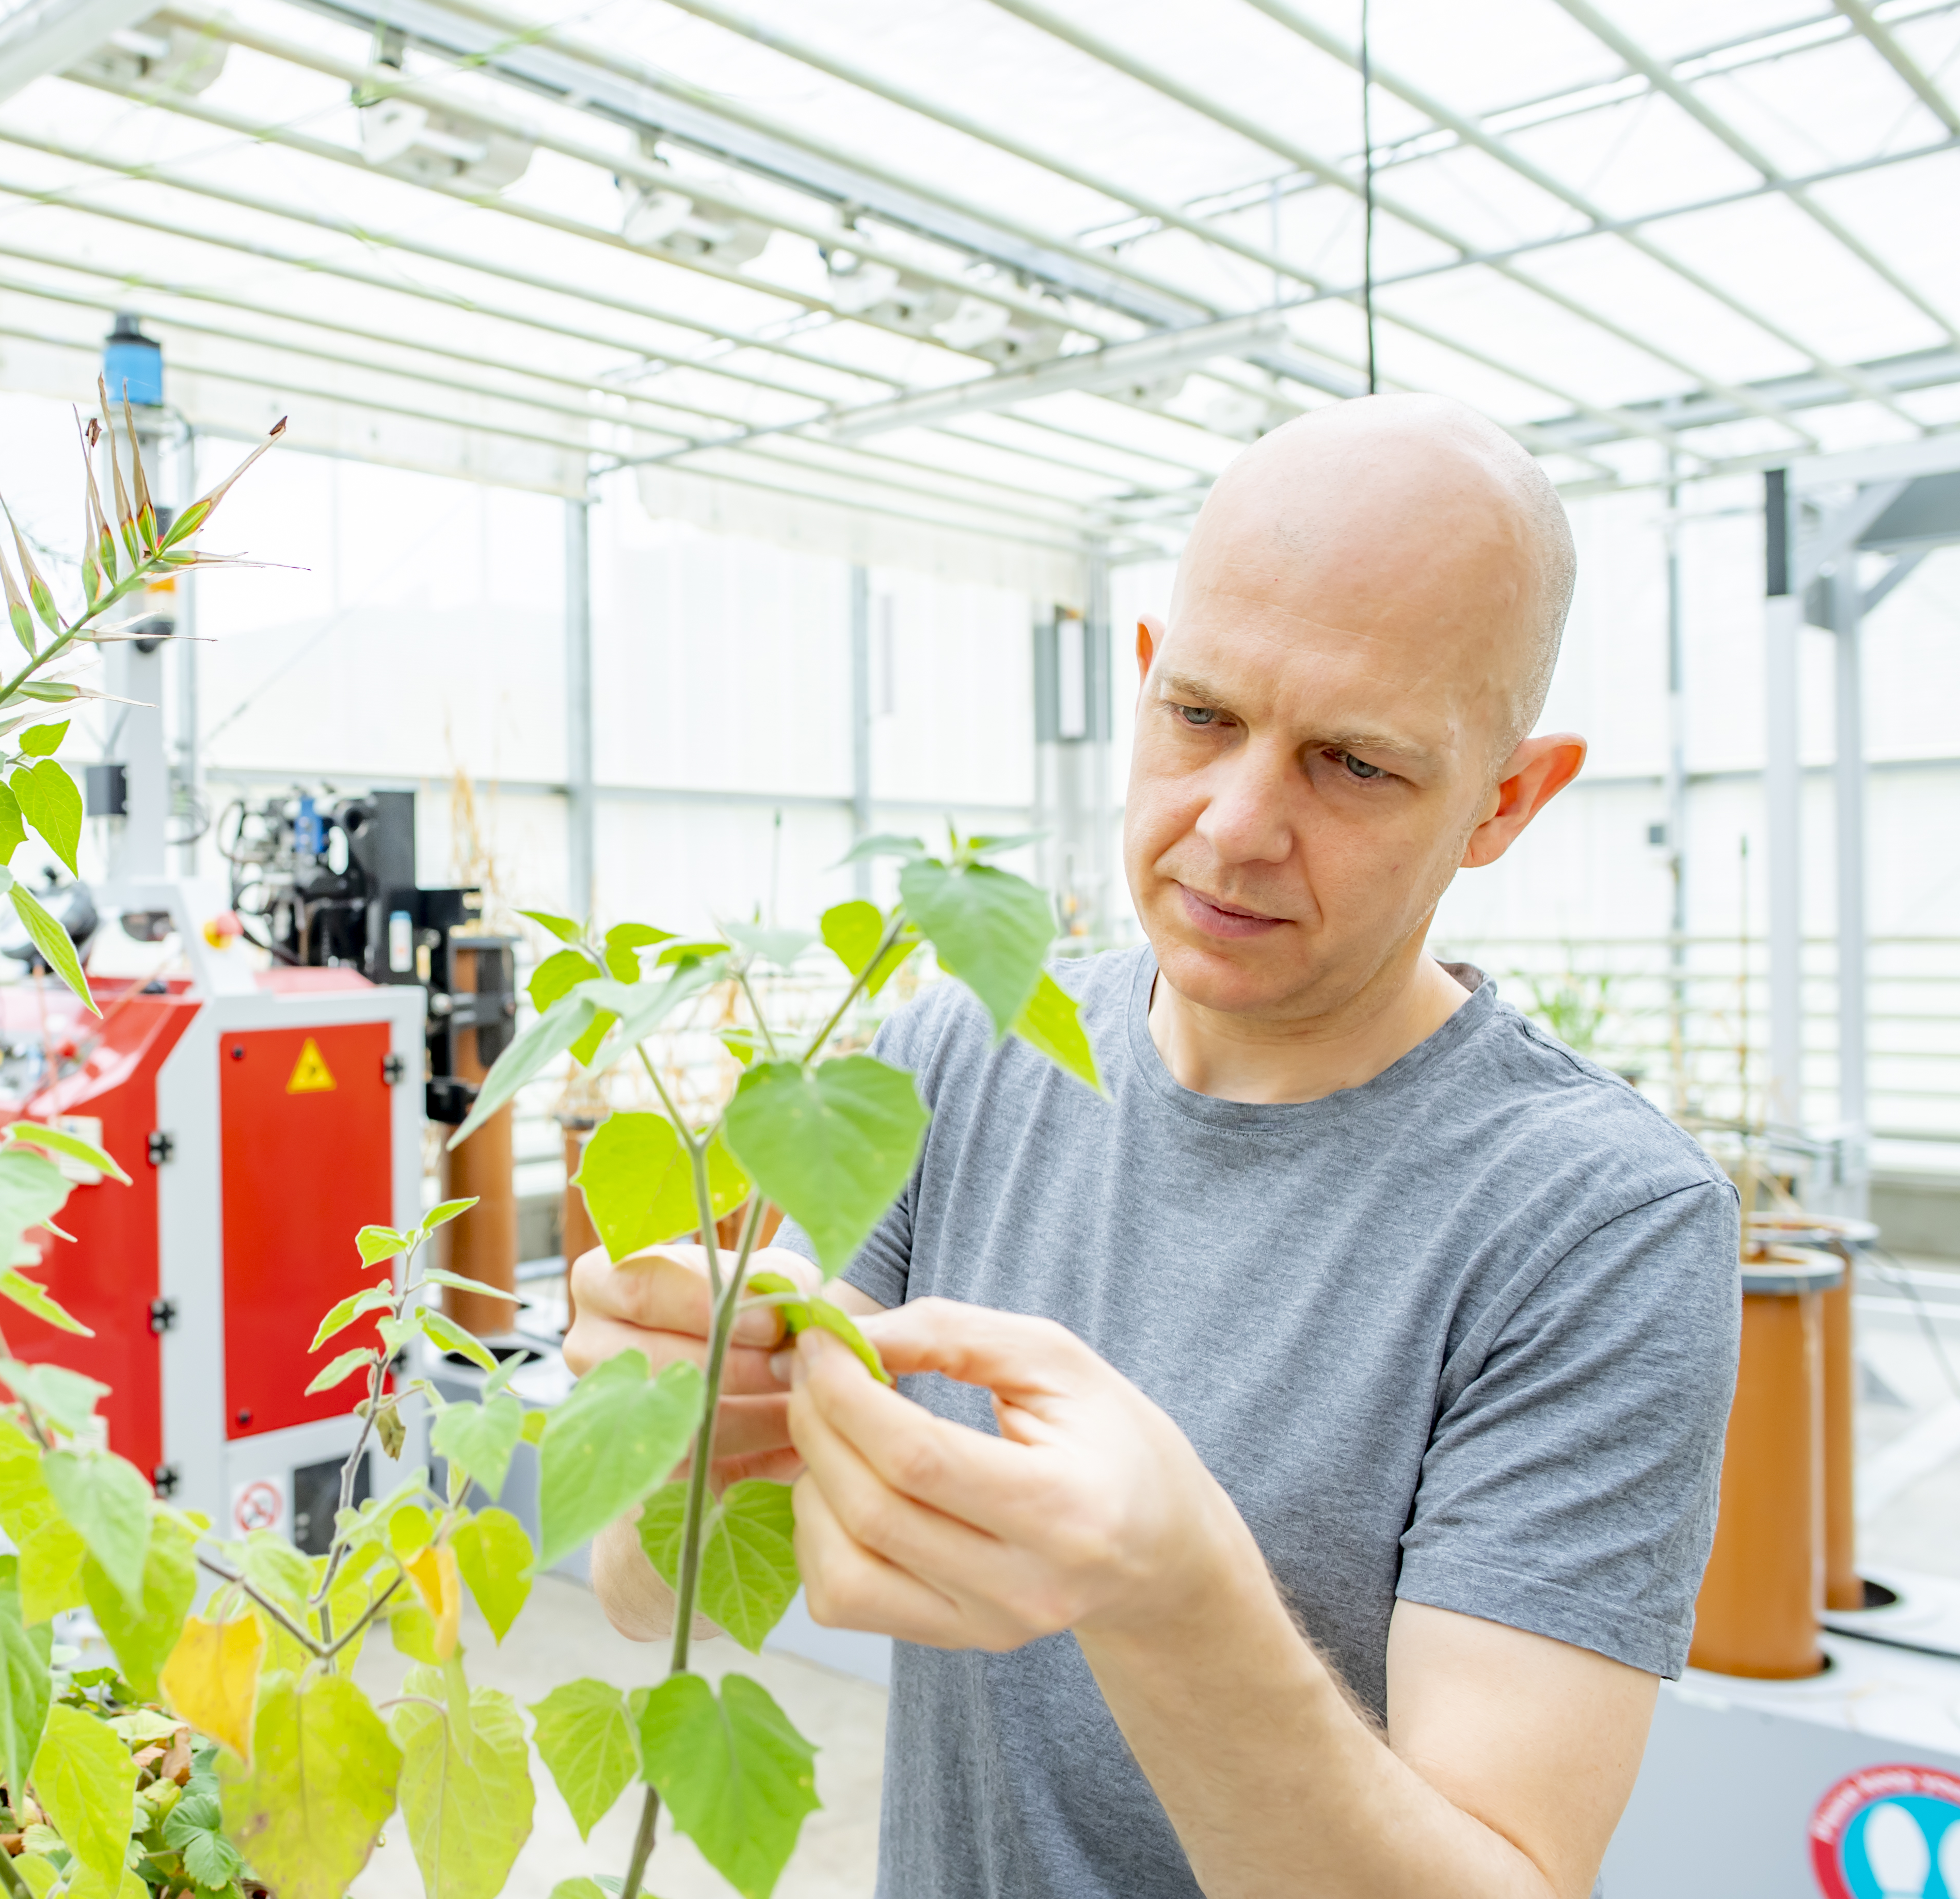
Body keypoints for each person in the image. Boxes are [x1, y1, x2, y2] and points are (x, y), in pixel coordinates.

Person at [566, 393, 1740, 1899]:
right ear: (1144, 680)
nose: (1236, 824)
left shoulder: (1594, 1221)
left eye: (1355, 766)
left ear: (1503, 801)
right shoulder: (963, 1053)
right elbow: (655, 1595)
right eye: (1203, 718)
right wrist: (669, 1425)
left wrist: (1180, 1601)